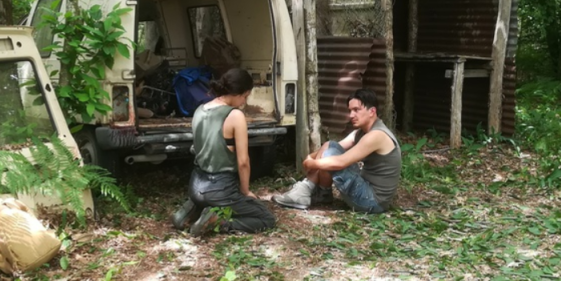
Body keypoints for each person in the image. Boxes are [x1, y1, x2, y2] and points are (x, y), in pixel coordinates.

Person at [171, 68, 276, 236]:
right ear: (238, 93)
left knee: (210, 199)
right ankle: (220, 222)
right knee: (266, 218)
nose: (244, 102)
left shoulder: (201, 109)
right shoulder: (235, 116)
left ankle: (190, 211)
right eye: (245, 97)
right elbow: (243, 162)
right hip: (219, 189)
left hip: (195, 185)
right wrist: (246, 191)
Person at [273, 89, 400, 213]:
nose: (351, 115)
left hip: (373, 201)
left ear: (372, 111)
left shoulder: (376, 135)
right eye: (350, 110)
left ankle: (305, 191)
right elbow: (330, 147)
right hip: (366, 189)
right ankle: (322, 193)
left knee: (331, 155)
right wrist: (310, 157)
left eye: (356, 110)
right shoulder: (362, 132)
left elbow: (340, 162)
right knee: (330, 145)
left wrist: (310, 164)